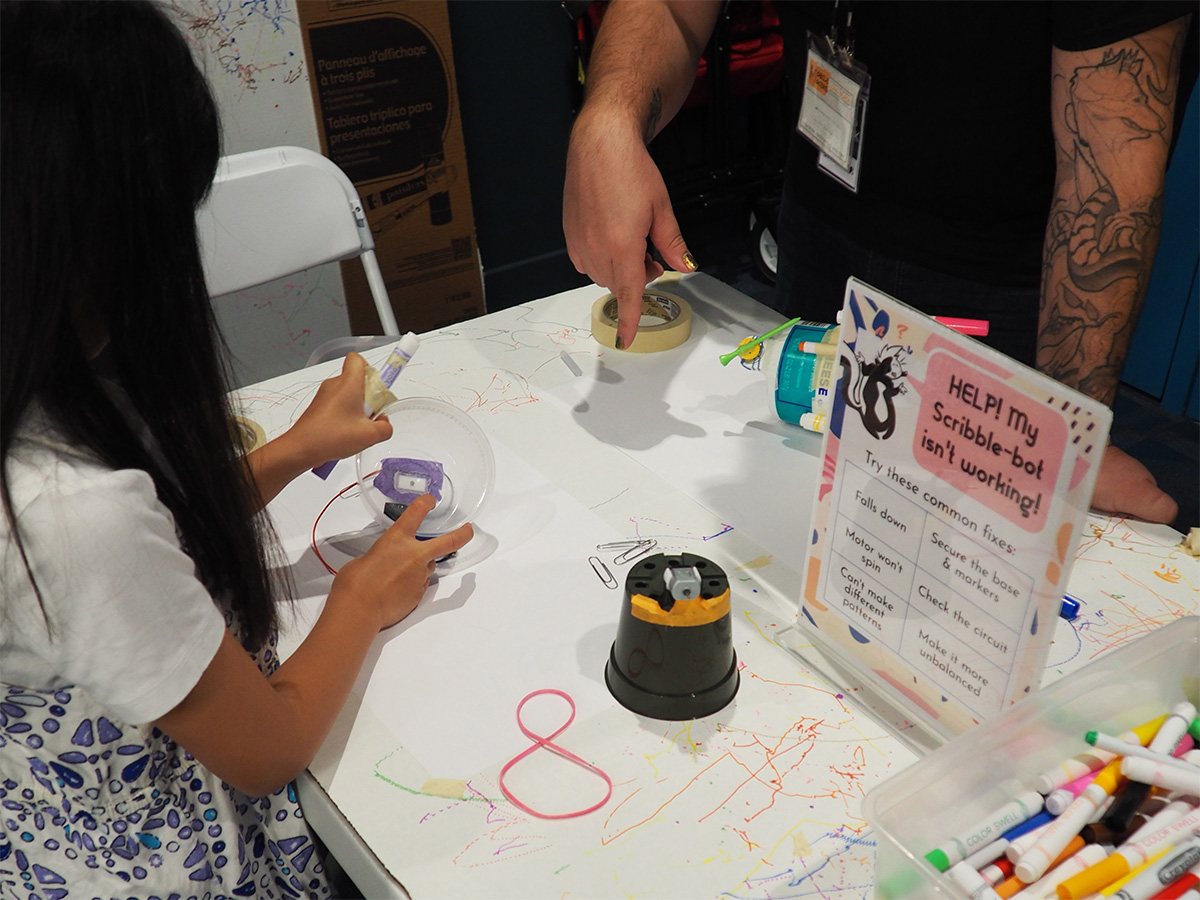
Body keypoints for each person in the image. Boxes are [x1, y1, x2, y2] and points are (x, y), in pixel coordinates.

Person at [0, 2, 472, 896]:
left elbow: (146, 548)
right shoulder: (66, 516)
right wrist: (363, 598)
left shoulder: (41, 390)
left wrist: (293, 449)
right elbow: (269, 750)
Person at [563, 1, 1196, 526]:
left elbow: (1108, 171)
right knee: (791, 530)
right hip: (819, 224)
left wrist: (1069, 435)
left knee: (960, 580)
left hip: (1002, 294)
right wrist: (610, 114)